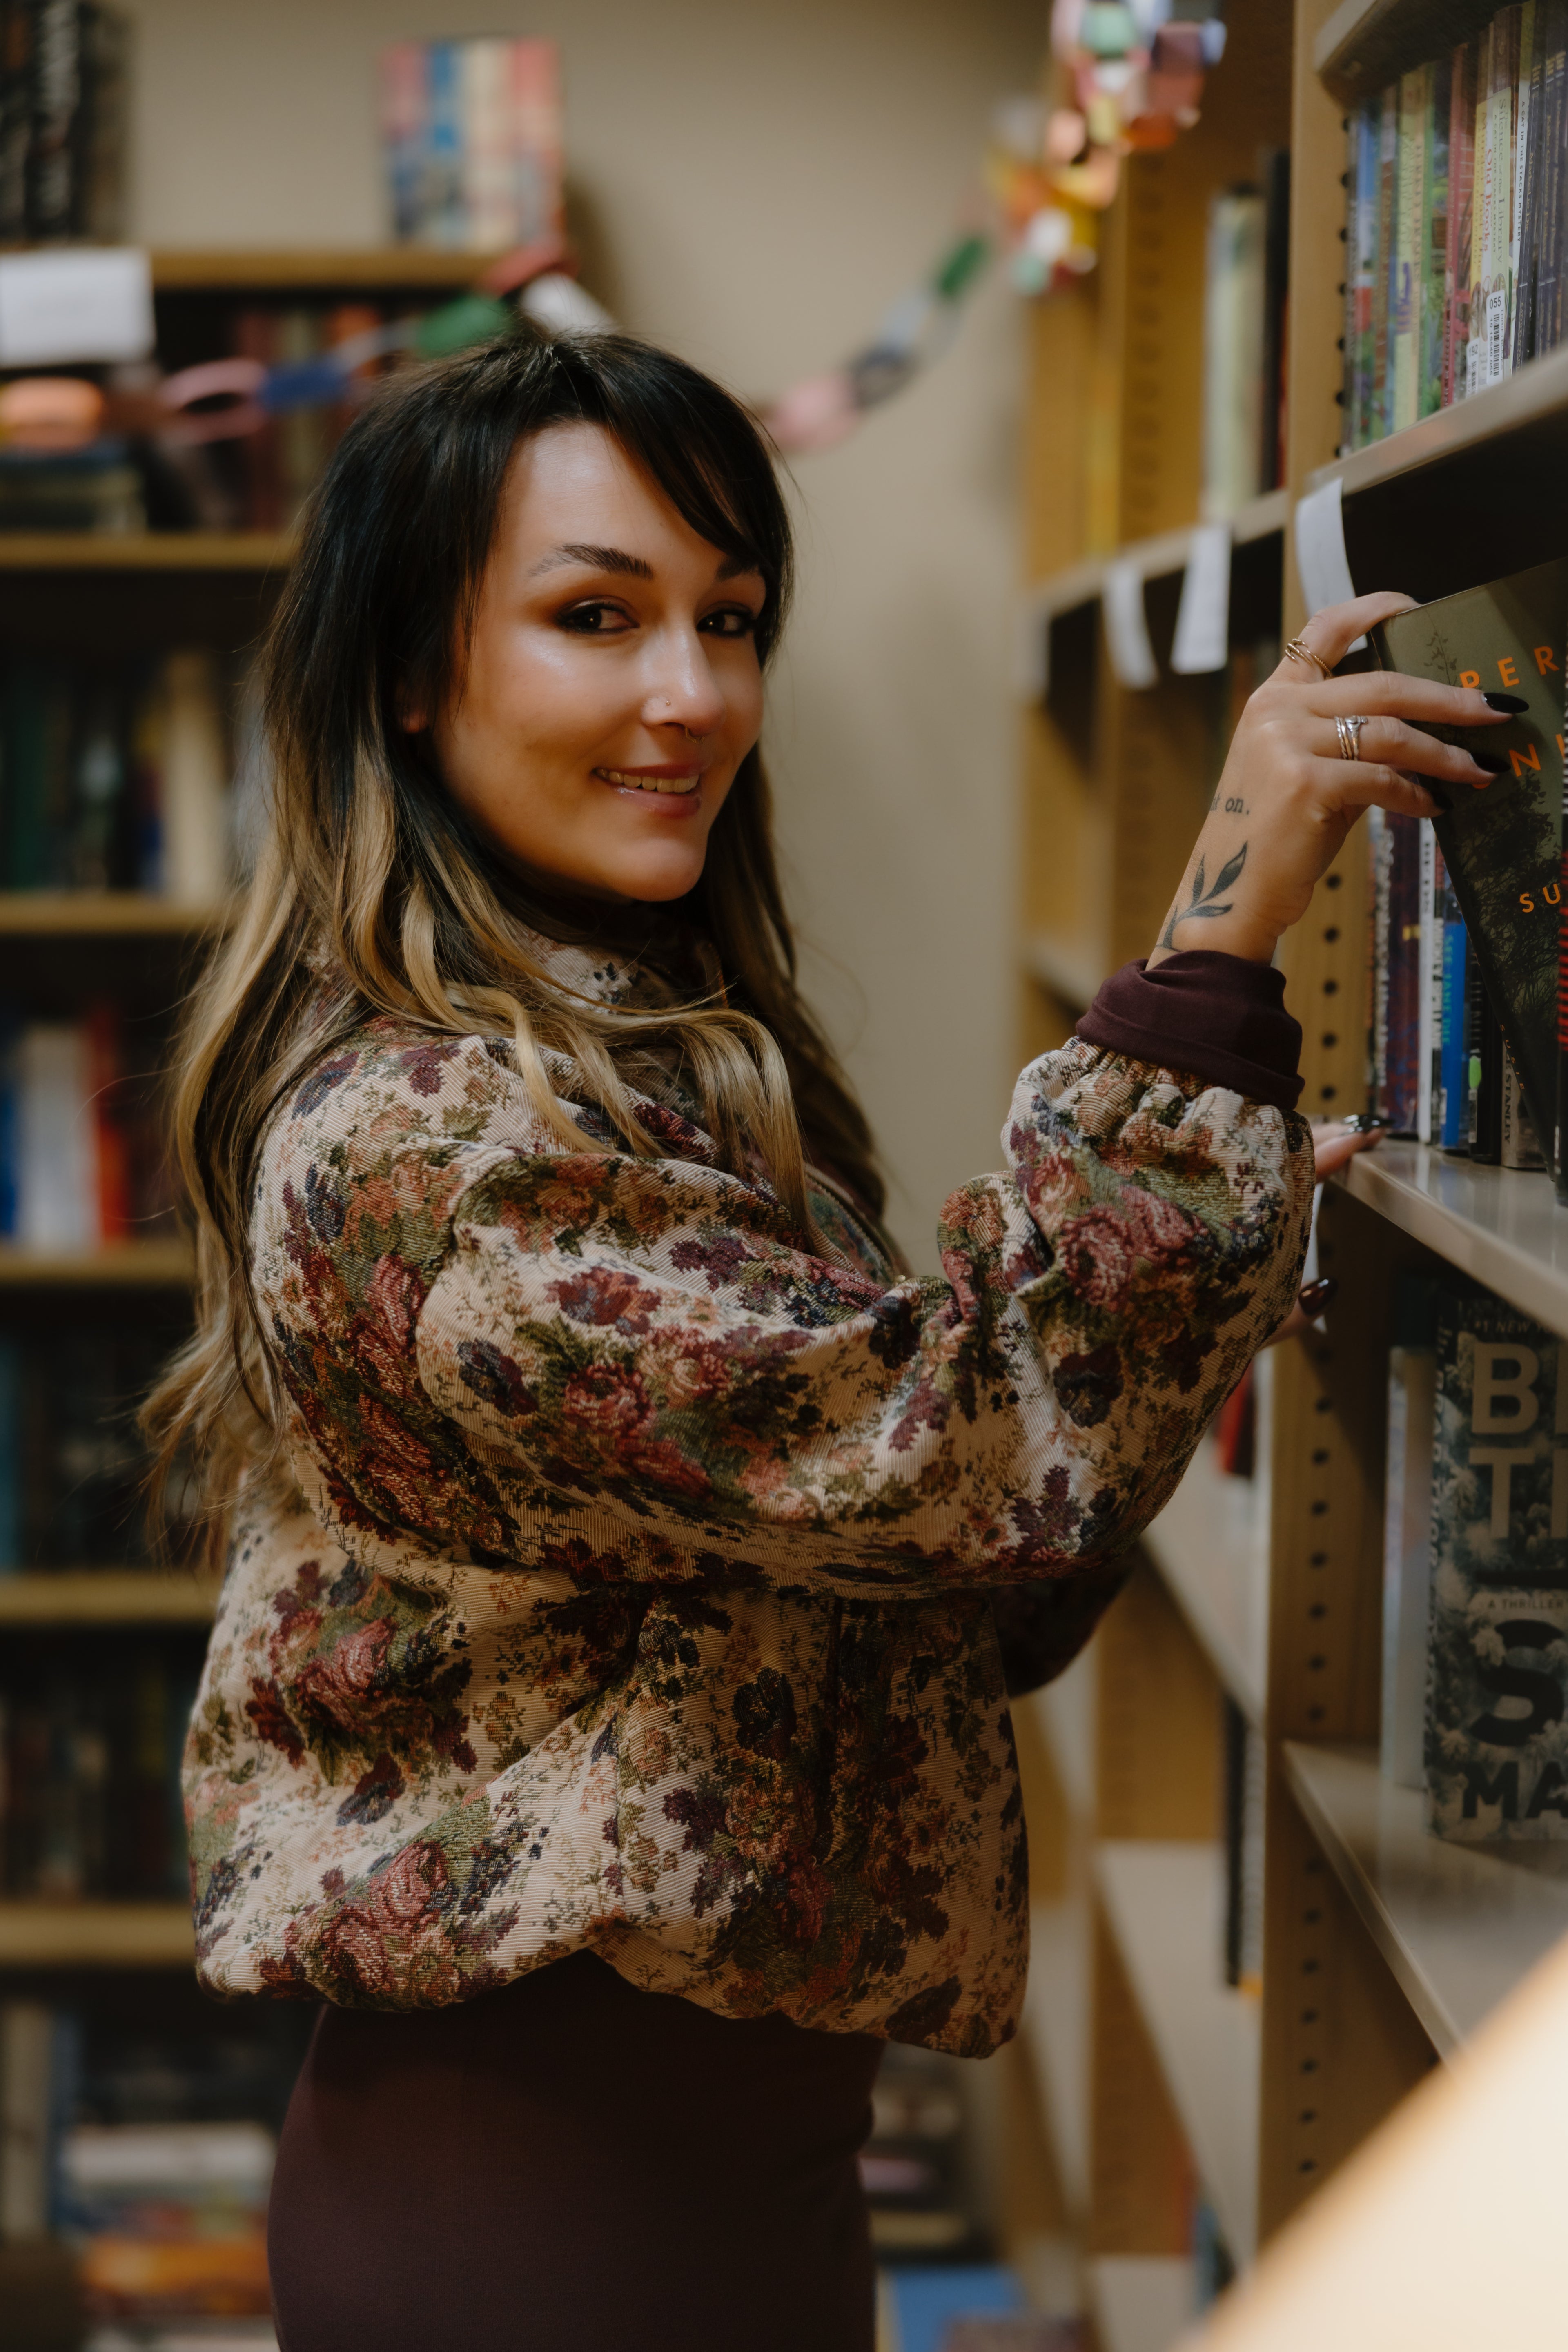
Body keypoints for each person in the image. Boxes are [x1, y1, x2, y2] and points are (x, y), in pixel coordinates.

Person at [152, 330, 1512, 2352]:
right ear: (412, 677)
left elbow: (952, 1576)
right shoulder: (441, 1141)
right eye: (596, 618)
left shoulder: (616, 1072)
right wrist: (1226, 917)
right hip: (551, 2197)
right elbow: (961, 1466)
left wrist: (1190, 1250)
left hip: (703, 2173)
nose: (690, 696)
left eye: (733, 619)